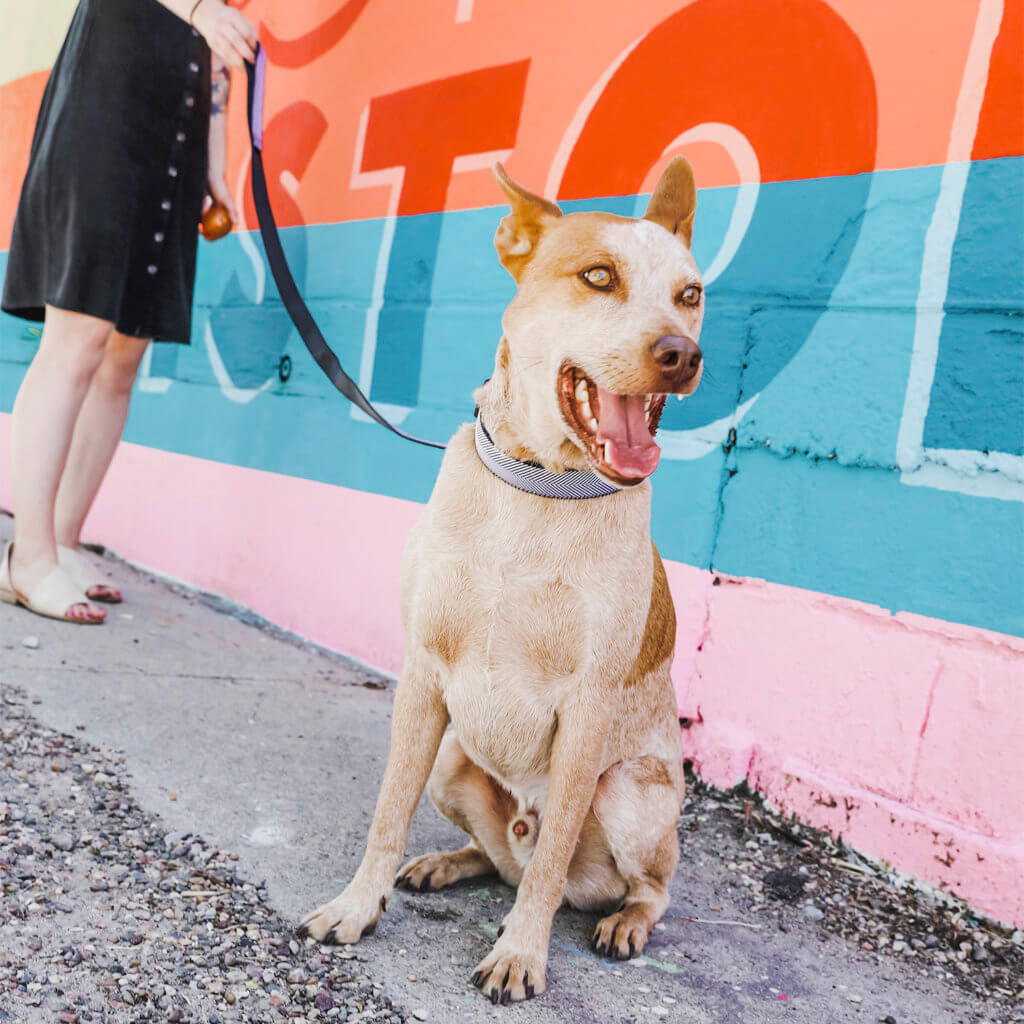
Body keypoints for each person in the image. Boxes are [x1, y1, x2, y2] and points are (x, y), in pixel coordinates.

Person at [0, 0, 258, 623]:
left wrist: (216, 160)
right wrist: (197, 8)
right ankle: (27, 556)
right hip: (107, 102)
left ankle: (63, 539)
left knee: (125, 350)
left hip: (177, 118)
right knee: (79, 333)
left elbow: (217, 42)